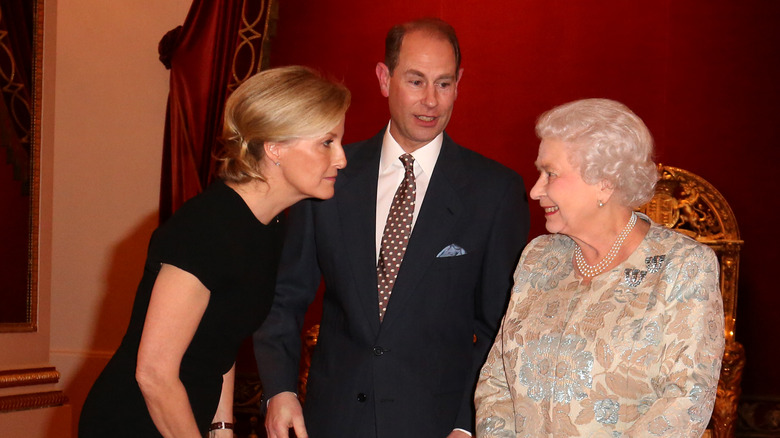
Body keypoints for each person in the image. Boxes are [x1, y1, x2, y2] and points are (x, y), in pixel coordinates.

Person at [253, 18, 530, 438]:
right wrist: (279, 391)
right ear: (384, 79)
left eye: (444, 83)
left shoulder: (494, 192)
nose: (432, 101)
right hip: (333, 420)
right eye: (416, 81)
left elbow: (502, 327)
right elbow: (284, 298)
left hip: (437, 426)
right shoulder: (329, 177)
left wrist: (467, 423)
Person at [78, 66, 350, 437]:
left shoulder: (268, 225)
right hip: (133, 423)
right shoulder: (207, 227)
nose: (341, 159)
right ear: (275, 148)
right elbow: (154, 374)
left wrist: (222, 427)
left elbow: (224, 340)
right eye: (327, 143)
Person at [474, 98, 725, 437]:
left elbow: (685, 401)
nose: (535, 190)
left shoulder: (683, 267)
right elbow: (496, 381)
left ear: (605, 182)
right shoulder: (538, 257)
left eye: (551, 174)